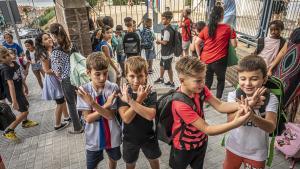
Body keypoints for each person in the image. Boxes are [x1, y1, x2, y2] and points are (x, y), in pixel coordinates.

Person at [169, 57, 261, 169]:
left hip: (201, 141)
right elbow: (207, 129)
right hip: (183, 147)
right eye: (198, 80)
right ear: (182, 80)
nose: (203, 83)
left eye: (203, 78)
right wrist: (235, 123)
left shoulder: (200, 89)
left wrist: (249, 102)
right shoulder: (180, 104)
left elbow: (220, 106)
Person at [223, 55, 278, 169]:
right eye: (243, 78)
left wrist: (251, 115)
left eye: (254, 78)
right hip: (234, 147)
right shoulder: (234, 95)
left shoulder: (270, 98)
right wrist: (249, 106)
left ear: (264, 79)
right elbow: (230, 121)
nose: (247, 83)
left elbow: (271, 127)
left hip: (257, 153)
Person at [76, 52, 122, 169]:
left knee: (113, 158)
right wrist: (106, 105)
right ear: (88, 73)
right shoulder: (83, 90)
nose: (102, 78)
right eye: (97, 74)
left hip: (112, 135)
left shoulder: (113, 87)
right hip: (93, 138)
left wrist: (92, 104)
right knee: (92, 165)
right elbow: (88, 118)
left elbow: (111, 116)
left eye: (105, 73)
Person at [118, 56, 161, 169]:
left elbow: (150, 115)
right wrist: (139, 100)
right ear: (126, 75)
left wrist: (130, 101)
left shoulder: (150, 92)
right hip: (129, 139)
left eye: (140, 76)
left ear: (146, 75)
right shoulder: (123, 92)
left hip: (149, 137)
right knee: (130, 164)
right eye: (132, 76)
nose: (136, 80)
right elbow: (126, 118)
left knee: (154, 160)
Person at [195, 5, 237, 99]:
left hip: (205, 60)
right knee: (220, 80)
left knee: (208, 81)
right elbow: (234, 45)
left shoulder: (206, 28)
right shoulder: (228, 28)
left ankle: (205, 98)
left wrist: (199, 56)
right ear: (222, 15)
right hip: (220, 60)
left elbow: (196, 43)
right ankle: (218, 100)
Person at [49, 23, 83, 134]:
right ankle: (83, 121)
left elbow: (57, 73)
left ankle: (77, 128)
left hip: (67, 79)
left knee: (71, 104)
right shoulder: (73, 45)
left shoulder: (55, 52)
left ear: (53, 36)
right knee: (79, 100)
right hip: (77, 77)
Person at [0, 46, 39, 140]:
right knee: (24, 111)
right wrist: (14, 101)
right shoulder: (5, 69)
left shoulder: (14, 63)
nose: (8, 57)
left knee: (26, 106)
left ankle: (25, 122)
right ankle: (9, 131)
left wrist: (25, 87)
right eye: (4, 57)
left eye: (8, 54)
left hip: (19, 92)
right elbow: (11, 85)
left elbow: (19, 77)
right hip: (13, 94)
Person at [35, 33, 71, 130]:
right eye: (46, 39)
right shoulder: (44, 54)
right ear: (42, 43)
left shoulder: (54, 49)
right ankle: (57, 124)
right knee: (60, 102)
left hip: (57, 78)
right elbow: (46, 70)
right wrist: (59, 71)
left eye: (49, 37)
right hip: (52, 80)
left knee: (62, 99)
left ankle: (67, 117)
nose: (49, 39)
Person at [155, 11, 175, 87]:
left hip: (167, 53)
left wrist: (159, 41)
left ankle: (172, 82)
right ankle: (161, 78)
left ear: (169, 20)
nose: (162, 20)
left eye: (164, 19)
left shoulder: (167, 30)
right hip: (167, 52)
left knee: (168, 67)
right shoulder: (170, 28)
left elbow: (165, 42)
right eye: (162, 18)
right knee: (161, 65)